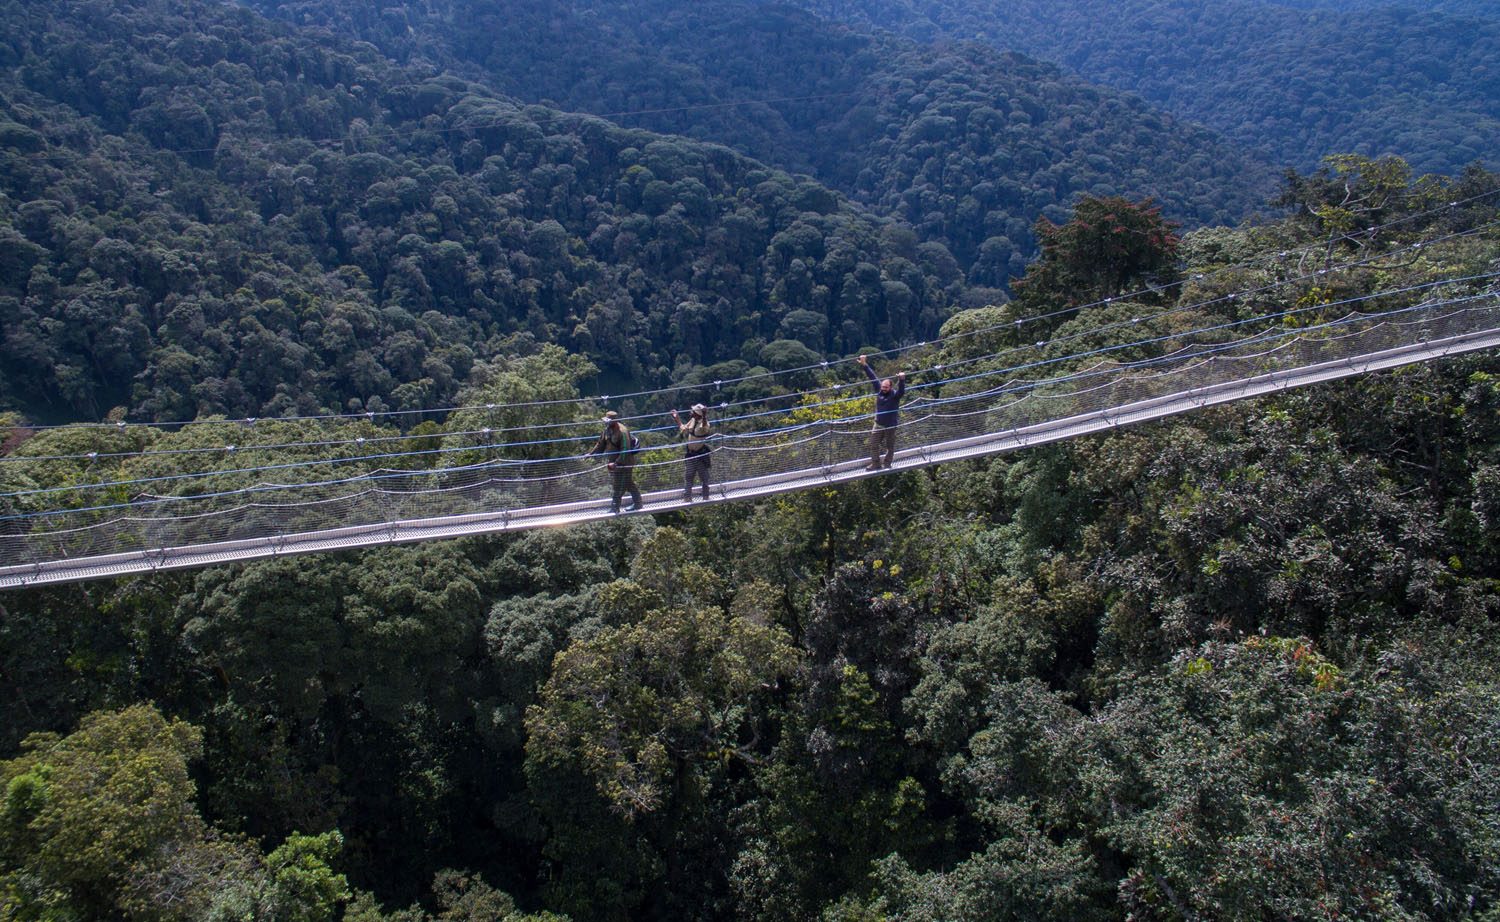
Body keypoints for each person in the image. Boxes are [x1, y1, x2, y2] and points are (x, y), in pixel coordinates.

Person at [586, 411, 643, 513]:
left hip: (624, 464)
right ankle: (638, 504)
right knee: (628, 483)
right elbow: (600, 444)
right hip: (613, 464)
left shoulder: (622, 432)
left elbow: (625, 450)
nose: (606, 423)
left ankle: (615, 507)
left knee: (618, 485)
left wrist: (616, 463)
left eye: (608, 421)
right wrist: (591, 454)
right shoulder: (607, 430)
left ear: (614, 421)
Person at [858, 354, 906, 471]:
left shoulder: (894, 395)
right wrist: (864, 365)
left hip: (890, 426)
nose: (883, 389)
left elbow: (901, 391)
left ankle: (887, 463)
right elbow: (872, 377)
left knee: (890, 446)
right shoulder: (879, 390)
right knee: (873, 444)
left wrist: (901, 379)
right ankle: (876, 464)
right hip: (878, 424)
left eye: (885, 387)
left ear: (890, 387)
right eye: (882, 387)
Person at [671, 403, 713, 501]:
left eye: (693, 411)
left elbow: (705, 427)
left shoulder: (704, 424)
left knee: (704, 478)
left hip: (700, 455)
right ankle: (687, 498)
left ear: (697, 414)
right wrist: (677, 418)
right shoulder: (693, 420)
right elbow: (683, 429)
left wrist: (704, 416)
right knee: (689, 477)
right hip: (690, 454)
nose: (691, 412)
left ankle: (705, 497)